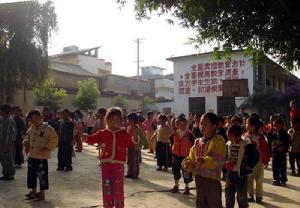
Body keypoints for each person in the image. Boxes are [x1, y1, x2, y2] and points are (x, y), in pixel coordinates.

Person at [85, 107, 133, 208]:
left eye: (116, 120)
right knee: (107, 187)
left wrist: (134, 137)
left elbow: (131, 143)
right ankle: (108, 206)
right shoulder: (102, 133)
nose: (113, 123)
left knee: (118, 188)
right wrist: (84, 136)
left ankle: (119, 206)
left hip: (118, 166)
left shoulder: (123, 133)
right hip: (105, 166)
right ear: (106, 120)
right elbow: (91, 139)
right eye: (111, 120)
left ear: (121, 121)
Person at [182, 113, 226, 208]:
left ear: (214, 126)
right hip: (199, 178)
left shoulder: (219, 141)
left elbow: (219, 159)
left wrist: (205, 161)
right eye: (201, 123)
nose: (202, 126)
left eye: (205, 124)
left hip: (212, 180)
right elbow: (191, 156)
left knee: (214, 203)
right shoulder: (197, 142)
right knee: (200, 203)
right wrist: (187, 163)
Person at [23, 109, 58, 201]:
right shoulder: (31, 128)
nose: (33, 121)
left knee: (42, 176)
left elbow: (54, 140)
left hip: (41, 157)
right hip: (32, 156)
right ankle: (33, 191)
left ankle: (42, 193)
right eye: (31, 119)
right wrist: (26, 143)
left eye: (34, 118)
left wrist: (47, 148)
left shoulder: (48, 129)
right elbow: (27, 137)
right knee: (31, 175)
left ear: (40, 117)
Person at [225, 125, 260, 208]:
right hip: (230, 173)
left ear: (237, 136)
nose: (228, 137)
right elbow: (226, 156)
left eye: (230, 136)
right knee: (229, 194)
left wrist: (250, 165)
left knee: (241, 196)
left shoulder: (247, 145)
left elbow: (256, 155)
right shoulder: (228, 144)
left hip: (240, 174)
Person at [243, 116, 270, 203]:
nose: (246, 124)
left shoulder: (260, 137)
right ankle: (250, 195)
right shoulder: (244, 136)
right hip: (248, 163)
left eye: (248, 123)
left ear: (254, 126)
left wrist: (266, 161)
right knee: (248, 180)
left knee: (259, 180)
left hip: (259, 162)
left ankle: (259, 196)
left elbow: (265, 149)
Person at [169, 116, 195, 194]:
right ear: (177, 125)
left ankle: (187, 187)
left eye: (184, 124)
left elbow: (194, 145)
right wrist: (172, 151)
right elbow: (171, 143)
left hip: (186, 156)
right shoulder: (174, 134)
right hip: (176, 155)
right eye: (180, 124)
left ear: (186, 124)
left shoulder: (189, 135)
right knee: (175, 170)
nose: (182, 126)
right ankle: (176, 185)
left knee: (186, 171)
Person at [126, 113, 147, 179]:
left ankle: (135, 174)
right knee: (129, 160)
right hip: (129, 146)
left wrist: (145, 144)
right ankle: (130, 173)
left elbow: (143, 137)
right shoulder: (129, 128)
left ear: (132, 120)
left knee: (135, 161)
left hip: (136, 147)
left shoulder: (137, 128)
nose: (127, 121)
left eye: (128, 120)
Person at [271, 118, 291, 186]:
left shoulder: (284, 133)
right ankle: (276, 179)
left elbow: (289, 142)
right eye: (274, 126)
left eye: (276, 126)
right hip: (275, 153)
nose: (275, 127)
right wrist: (274, 145)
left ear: (281, 125)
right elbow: (271, 141)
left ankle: (283, 180)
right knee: (275, 167)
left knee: (282, 167)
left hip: (281, 154)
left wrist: (283, 146)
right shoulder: (274, 133)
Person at [0, 104, 17, 180]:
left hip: (8, 143)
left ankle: (11, 174)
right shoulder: (3, 119)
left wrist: (7, 144)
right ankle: (5, 173)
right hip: (2, 143)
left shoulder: (9, 120)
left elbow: (10, 133)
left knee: (9, 159)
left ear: (5, 111)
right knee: (3, 159)